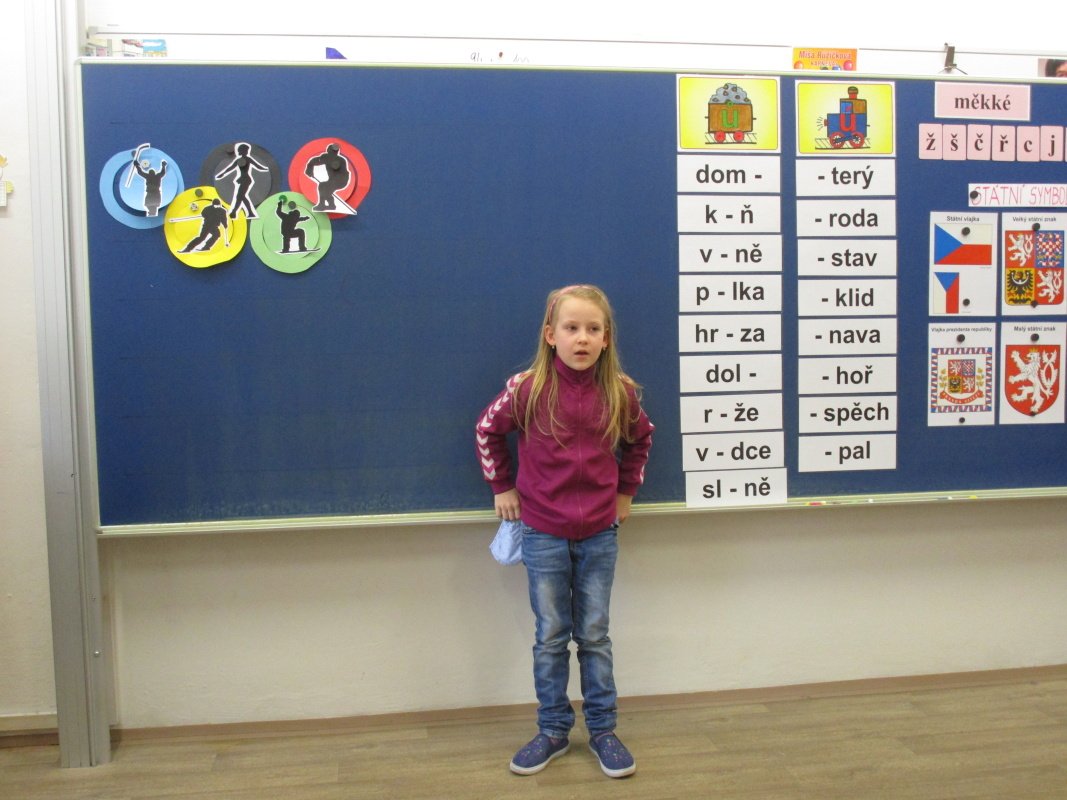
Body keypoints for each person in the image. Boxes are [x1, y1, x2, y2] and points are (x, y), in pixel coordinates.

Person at [475, 284, 653, 779]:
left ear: (606, 338)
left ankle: (603, 731)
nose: (582, 338)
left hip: (600, 532)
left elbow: (642, 440)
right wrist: (502, 486)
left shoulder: (619, 392)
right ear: (550, 335)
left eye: (593, 329)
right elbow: (487, 430)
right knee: (551, 636)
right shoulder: (528, 389)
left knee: (594, 635)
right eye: (571, 328)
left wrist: (625, 493)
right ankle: (553, 729)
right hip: (542, 532)